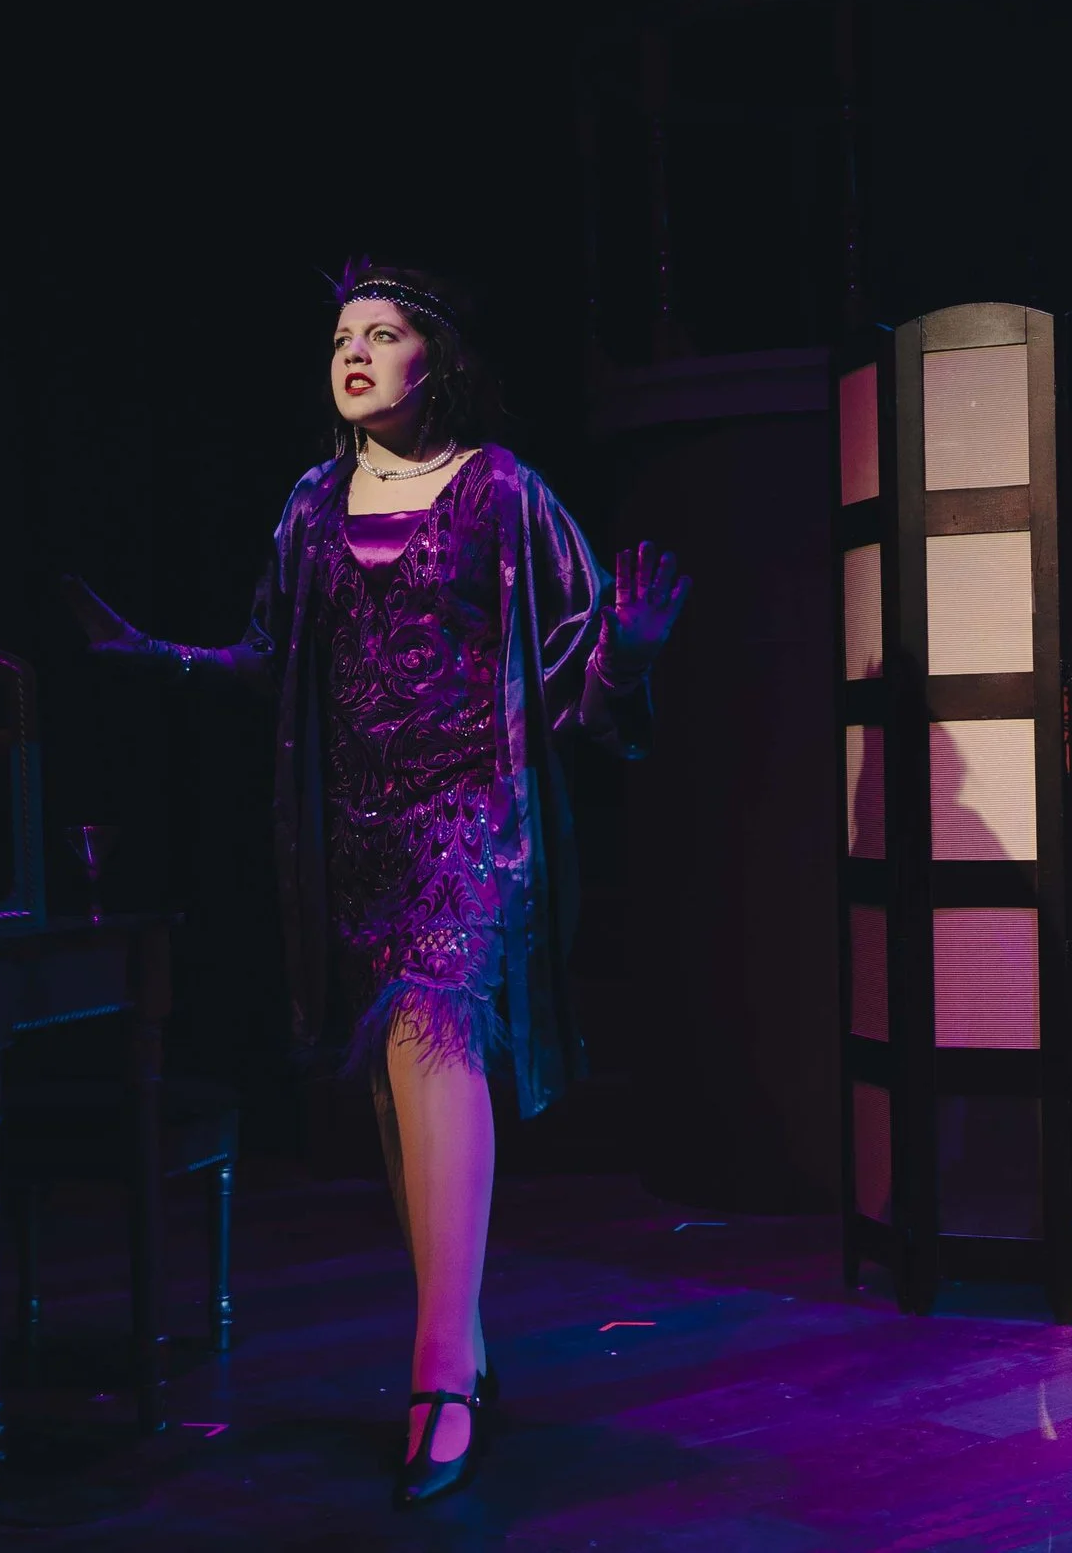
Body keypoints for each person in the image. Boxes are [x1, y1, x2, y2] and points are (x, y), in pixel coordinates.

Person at [64, 261, 689, 1504]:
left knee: (432, 1034)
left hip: (474, 814)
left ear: (432, 359)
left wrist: (625, 654)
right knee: (401, 1101)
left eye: (382, 332)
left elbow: (576, 666)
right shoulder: (311, 505)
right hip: (359, 830)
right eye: (342, 335)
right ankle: (465, 1343)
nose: (354, 351)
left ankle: (438, 1370)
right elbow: (271, 658)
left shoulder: (500, 488)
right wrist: (158, 657)